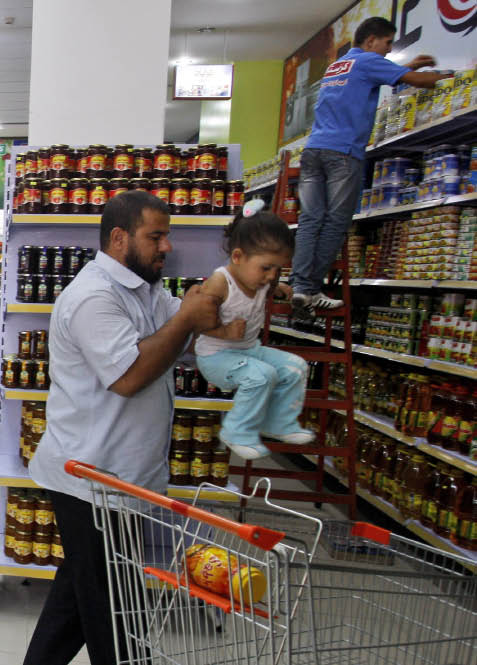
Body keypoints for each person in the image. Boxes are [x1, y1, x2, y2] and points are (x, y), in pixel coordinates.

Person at [25, 190, 220, 665]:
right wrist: (188, 320)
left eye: (166, 236)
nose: (166, 247)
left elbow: (193, 336)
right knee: (118, 618)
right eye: (156, 236)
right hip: (91, 481)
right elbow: (129, 377)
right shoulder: (94, 297)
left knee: (76, 600)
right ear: (119, 238)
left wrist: (244, 290)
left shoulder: (148, 289)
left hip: (121, 476)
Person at [290, 16, 450, 314]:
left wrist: (409, 67)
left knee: (311, 220)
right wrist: (453, 77)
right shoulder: (367, 60)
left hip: (314, 151)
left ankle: (299, 288)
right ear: (371, 40)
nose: (388, 50)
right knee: (336, 223)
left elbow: (383, 75)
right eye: (387, 43)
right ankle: (312, 289)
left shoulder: (338, 65)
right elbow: (418, 82)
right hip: (343, 153)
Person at [196, 202, 313, 460]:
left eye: (278, 269)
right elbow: (197, 321)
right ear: (237, 257)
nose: (271, 276)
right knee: (262, 376)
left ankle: (278, 424)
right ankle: (236, 432)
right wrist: (225, 332)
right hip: (215, 356)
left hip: (249, 350)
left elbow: (268, 283)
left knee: (297, 367)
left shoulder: (260, 282)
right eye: (266, 268)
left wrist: (278, 286)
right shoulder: (220, 282)